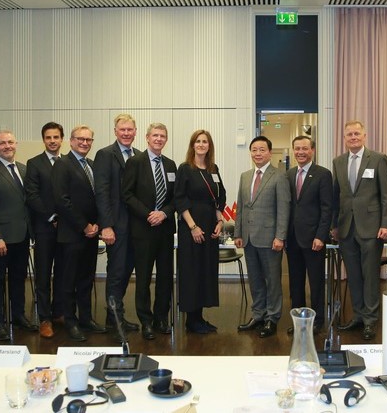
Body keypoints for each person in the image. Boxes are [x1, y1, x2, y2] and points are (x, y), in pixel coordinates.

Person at [332, 120, 387, 341]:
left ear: (365, 135)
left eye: (357, 133)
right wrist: (334, 225)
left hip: (371, 228)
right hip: (347, 228)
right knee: (354, 276)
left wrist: (386, 224)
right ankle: (358, 316)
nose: (353, 137)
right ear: (345, 138)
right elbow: (336, 195)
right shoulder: (338, 162)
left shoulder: (377, 159)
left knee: (369, 276)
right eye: (349, 134)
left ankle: (370, 320)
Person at [0, 130, 36, 341]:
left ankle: (18, 316)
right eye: (2, 143)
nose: (7, 146)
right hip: (1, 239)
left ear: (16, 143)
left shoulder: (23, 169)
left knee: (19, 279)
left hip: (22, 236)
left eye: (10, 142)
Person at [122, 122, 177, 340]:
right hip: (143, 230)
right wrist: (149, 214)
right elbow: (127, 195)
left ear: (166, 139)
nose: (159, 139)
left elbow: (176, 198)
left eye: (162, 136)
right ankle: (145, 320)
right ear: (147, 138)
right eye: (155, 135)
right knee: (143, 278)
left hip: (164, 230)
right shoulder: (135, 162)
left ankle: (161, 318)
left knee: (165, 276)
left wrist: (163, 213)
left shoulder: (171, 165)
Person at [52, 125, 107, 341]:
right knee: (68, 281)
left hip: (92, 234)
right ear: (71, 141)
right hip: (72, 234)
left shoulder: (91, 165)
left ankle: (86, 318)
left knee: (86, 278)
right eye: (80, 139)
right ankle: (71, 321)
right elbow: (62, 201)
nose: (85, 143)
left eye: (88, 140)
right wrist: (84, 225)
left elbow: (99, 198)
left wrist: (97, 226)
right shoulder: (62, 164)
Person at [234, 136, 290, 338]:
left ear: (269, 152)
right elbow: (241, 206)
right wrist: (238, 233)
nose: (257, 153)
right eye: (254, 150)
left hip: (270, 239)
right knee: (255, 280)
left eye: (261, 150)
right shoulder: (245, 176)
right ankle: (258, 315)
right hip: (248, 239)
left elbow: (284, 209)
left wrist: (280, 237)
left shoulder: (279, 176)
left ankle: (272, 318)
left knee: (272, 281)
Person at [93, 114, 140, 335]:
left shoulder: (139, 156)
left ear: (136, 131)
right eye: (122, 129)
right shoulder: (104, 155)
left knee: (127, 269)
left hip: (136, 227)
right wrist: (106, 226)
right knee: (116, 271)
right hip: (116, 226)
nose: (126, 133)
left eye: (130, 130)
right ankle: (114, 316)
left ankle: (117, 312)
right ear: (115, 131)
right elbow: (101, 192)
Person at [175, 130, 226, 334]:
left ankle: (200, 317)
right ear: (192, 145)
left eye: (205, 141)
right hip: (192, 226)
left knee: (206, 271)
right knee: (192, 271)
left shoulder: (213, 169)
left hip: (210, 224)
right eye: (198, 141)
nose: (202, 144)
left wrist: (220, 221)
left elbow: (219, 198)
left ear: (209, 145)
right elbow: (180, 199)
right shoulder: (185, 168)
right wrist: (193, 226)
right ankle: (191, 320)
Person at [285, 135, 331, 335]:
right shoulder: (288, 174)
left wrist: (321, 236)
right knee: (295, 282)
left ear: (312, 150)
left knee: (316, 282)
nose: (300, 152)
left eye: (304, 148)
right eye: (297, 148)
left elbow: (327, 208)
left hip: (314, 239)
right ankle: (298, 320)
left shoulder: (323, 174)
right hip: (292, 237)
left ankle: (318, 320)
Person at [24, 122, 65, 339]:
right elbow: (32, 195)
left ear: (61, 139)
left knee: (62, 272)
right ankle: (44, 318)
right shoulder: (34, 163)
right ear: (43, 140)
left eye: (56, 137)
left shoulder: (67, 162)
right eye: (48, 137)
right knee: (43, 274)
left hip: (66, 229)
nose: (52, 141)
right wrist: (51, 217)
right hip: (44, 228)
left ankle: (59, 312)